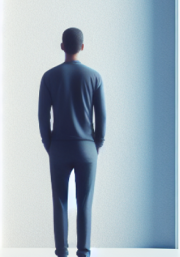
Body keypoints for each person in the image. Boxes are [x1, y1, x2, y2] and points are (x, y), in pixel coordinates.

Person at [38, 27, 106, 257]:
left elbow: (42, 115)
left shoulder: (49, 76)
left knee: (59, 201)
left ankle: (61, 252)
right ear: (82, 47)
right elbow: (102, 116)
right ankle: (84, 252)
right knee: (84, 202)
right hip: (87, 147)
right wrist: (97, 144)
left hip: (59, 147)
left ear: (62, 47)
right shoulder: (94, 76)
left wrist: (49, 144)